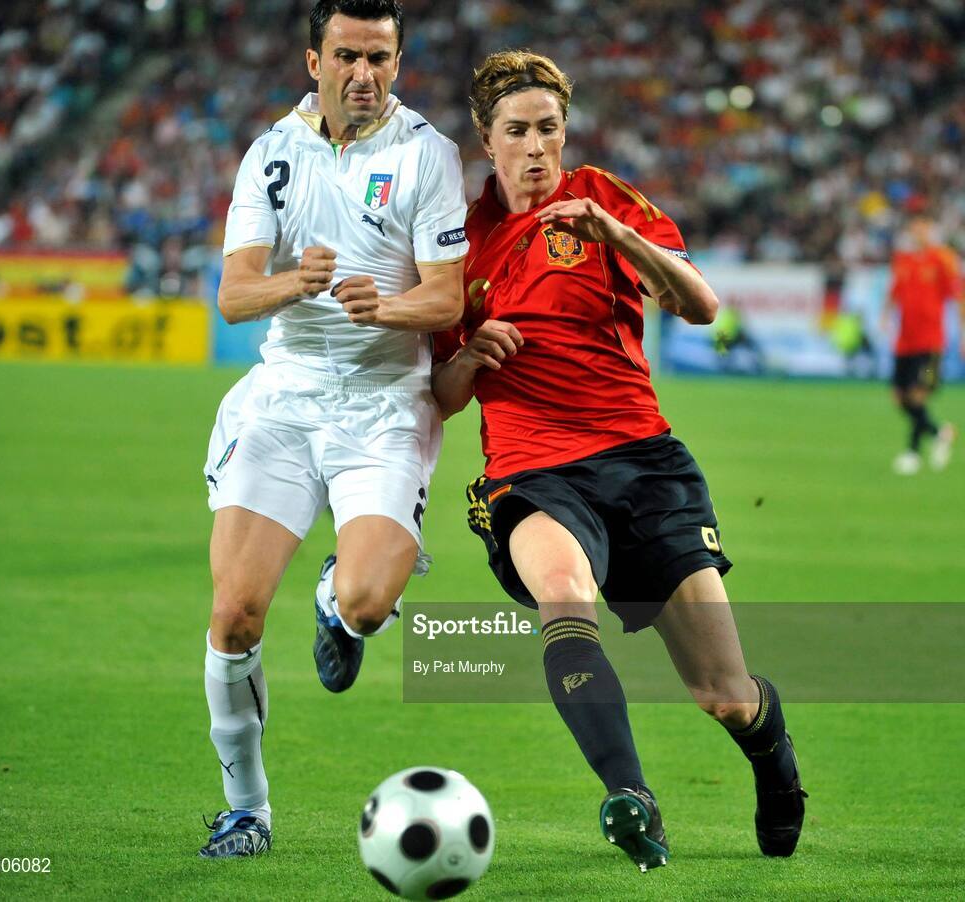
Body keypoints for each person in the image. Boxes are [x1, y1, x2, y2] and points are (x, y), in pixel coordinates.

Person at [431, 50, 807, 872]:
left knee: (724, 694)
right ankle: (630, 797)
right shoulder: (456, 240)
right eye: (518, 132)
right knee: (564, 595)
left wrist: (621, 237)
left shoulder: (601, 198)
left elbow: (700, 306)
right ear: (485, 139)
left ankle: (773, 758)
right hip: (533, 471)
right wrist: (468, 357)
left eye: (550, 129)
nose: (537, 148)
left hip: (643, 463)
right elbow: (446, 395)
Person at [198, 0, 467, 858]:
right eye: (347, 55)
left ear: (398, 60)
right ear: (313, 62)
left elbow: (448, 297)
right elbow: (235, 293)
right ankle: (247, 810)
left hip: (385, 401)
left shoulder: (428, 155)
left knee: (366, 599)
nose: (365, 74)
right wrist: (296, 283)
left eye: (380, 57)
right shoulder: (270, 155)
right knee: (234, 614)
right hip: (286, 396)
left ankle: (334, 601)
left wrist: (384, 305)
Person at [886, 215, 962, 475]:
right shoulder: (903, 260)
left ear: (931, 229)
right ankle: (940, 432)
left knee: (919, 392)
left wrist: (963, 334)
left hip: (931, 346)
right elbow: (894, 292)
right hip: (904, 344)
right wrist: (885, 316)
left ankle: (913, 453)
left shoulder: (942, 259)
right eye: (914, 226)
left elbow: (958, 295)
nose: (918, 231)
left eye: (923, 226)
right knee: (899, 397)